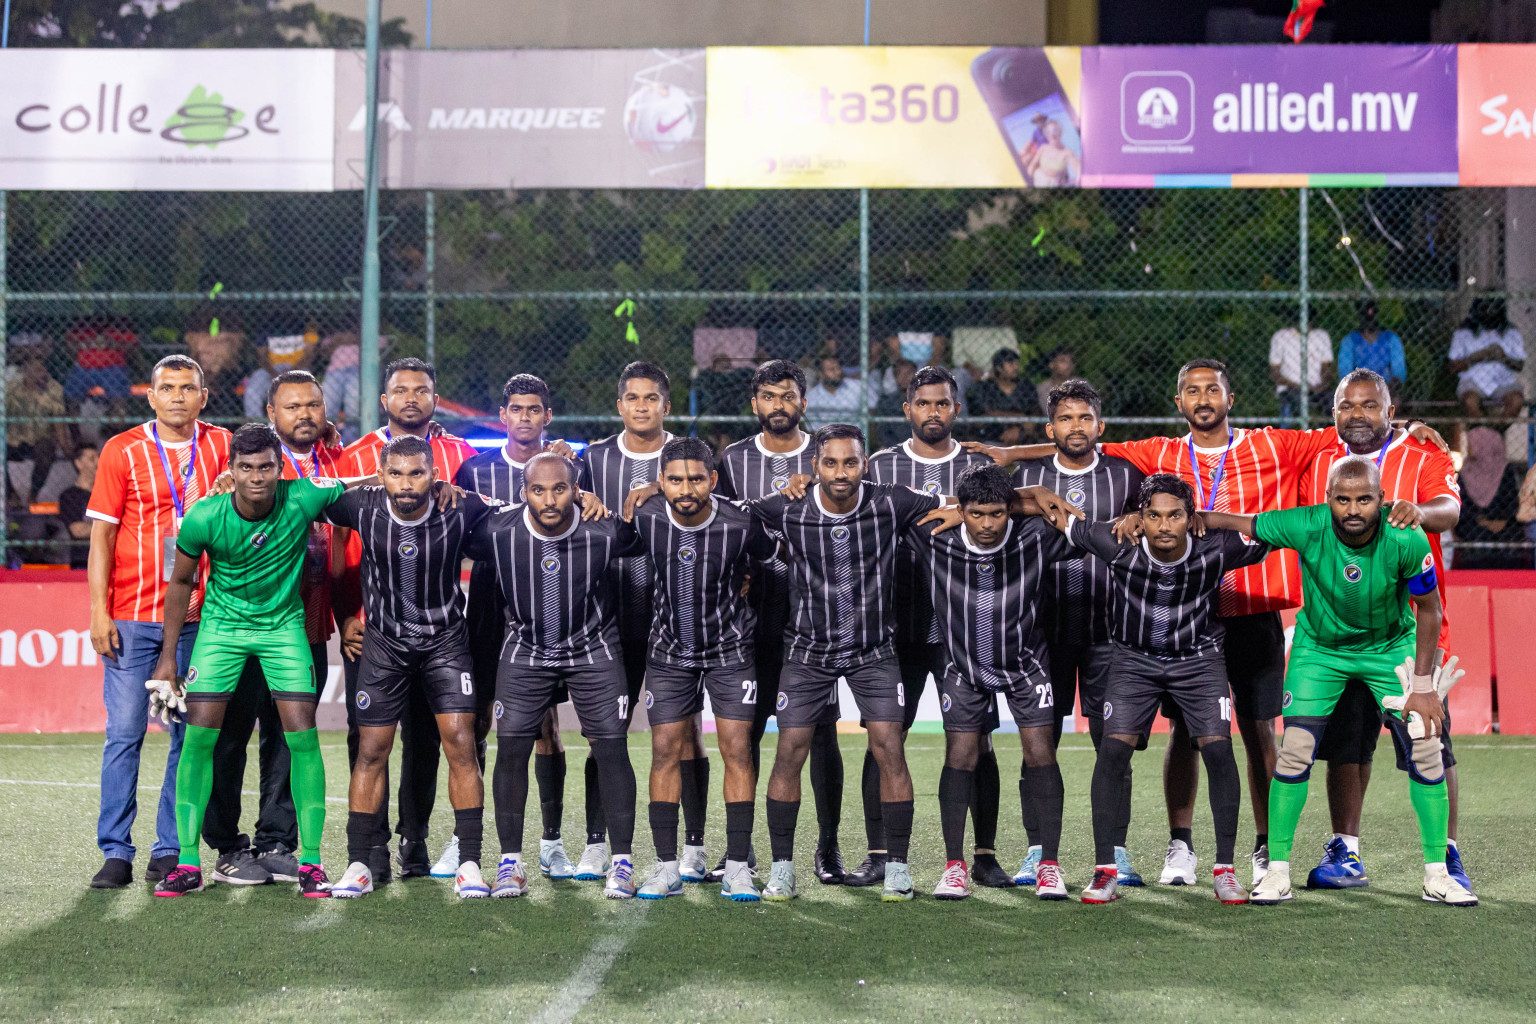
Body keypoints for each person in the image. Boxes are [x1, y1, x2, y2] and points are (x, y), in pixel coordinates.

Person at [1206, 457, 1475, 907]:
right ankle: (1276, 873)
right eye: (1343, 499)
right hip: (1320, 651)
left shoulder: (1406, 536)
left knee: (1426, 745)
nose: (1353, 509)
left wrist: (1424, 684)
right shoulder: (1306, 523)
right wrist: (1195, 517)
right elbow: (1243, 523)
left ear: (1381, 500)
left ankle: (1437, 874)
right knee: (1294, 752)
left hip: (1390, 649)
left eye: (1364, 499)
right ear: (1327, 499)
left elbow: (1429, 609)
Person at [742, 424, 945, 903]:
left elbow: (967, 504)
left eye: (850, 462)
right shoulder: (788, 508)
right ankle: (783, 869)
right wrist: (647, 491)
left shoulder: (891, 501)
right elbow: (725, 512)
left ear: (865, 465)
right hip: (807, 650)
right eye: (830, 463)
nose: (840, 472)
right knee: (790, 748)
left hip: (874, 649)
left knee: (888, 746)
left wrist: (1033, 494)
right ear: (815, 467)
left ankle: (896, 866)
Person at [148, 424, 349, 897]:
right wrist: (166, 659)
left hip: (283, 630)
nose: (256, 477)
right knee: (199, 740)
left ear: (281, 469)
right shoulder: (204, 516)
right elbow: (180, 584)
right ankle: (189, 862)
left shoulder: (302, 498)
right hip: (221, 632)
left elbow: (365, 484)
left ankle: (312, 864)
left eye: (265, 467)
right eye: (246, 467)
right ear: (231, 471)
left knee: (303, 738)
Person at [1064, 475, 1271, 906]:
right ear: (1139, 518)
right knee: (1113, 752)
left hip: (1199, 661)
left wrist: (1214, 519)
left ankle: (1225, 870)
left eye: (1175, 515)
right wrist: (1029, 494)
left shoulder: (1218, 547)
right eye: (1153, 515)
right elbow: (1060, 517)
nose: (1163, 525)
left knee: (1217, 750)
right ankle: (1105, 871)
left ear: (1189, 517)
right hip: (1133, 662)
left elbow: (1276, 529)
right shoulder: (1115, 543)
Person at [1299, 369, 1467, 894]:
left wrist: (1422, 511)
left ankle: (1445, 856)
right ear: (1333, 414)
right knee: (1347, 744)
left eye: (1370, 405)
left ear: (1390, 411)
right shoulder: (1318, 456)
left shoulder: (1424, 455)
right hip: (1340, 631)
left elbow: (1451, 509)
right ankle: (1345, 850)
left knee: (1428, 740)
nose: (1358, 414)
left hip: (1408, 632)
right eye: (1347, 406)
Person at [327, 436, 500, 899]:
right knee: (371, 750)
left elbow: (528, 504)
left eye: (417, 473)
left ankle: (468, 864)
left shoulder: (461, 507)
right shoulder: (360, 503)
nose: (406, 485)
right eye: (396, 474)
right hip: (384, 647)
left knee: (462, 744)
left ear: (434, 474)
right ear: (381, 474)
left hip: (446, 644)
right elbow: (298, 492)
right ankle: (360, 864)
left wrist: (582, 495)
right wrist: (227, 482)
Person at [84, 355, 232, 890]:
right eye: (166, 388)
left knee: (187, 737)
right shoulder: (121, 450)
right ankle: (116, 851)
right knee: (124, 734)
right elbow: (100, 537)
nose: (176, 397)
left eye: (186, 388)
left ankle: (169, 847)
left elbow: (272, 461)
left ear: (203, 395)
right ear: (150, 396)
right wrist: (99, 611)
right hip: (133, 616)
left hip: (201, 618)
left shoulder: (222, 446)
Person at [467, 453, 643, 899]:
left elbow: (659, 529)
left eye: (561, 489)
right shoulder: (497, 530)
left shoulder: (605, 531)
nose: (549, 499)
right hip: (525, 651)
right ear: (523, 492)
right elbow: (448, 519)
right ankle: (510, 863)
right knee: (510, 750)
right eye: (538, 490)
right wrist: (443, 488)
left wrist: (655, 489)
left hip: (594, 651)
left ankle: (621, 862)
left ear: (577, 489)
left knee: (611, 748)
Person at [199, 369, 347, 887]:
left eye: (313, 404)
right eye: (292, 406)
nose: (305, 414)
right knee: (228, 736)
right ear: (271, 414)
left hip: (307, 621)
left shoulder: (340, 457)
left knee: (288, 738)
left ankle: (278, 842)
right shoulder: (241, 467)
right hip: (238, 626)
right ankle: (224, 844)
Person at [907, 465, 1079, 900]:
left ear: (1011, 511)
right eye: (976, 513)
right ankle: (953, 867)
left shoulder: (1037, 537)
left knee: (1040, 753)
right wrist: (946, 507)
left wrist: (1030, 496)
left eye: (998, 513)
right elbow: (877, 505)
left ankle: (1049, 866)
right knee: (961, 754)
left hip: (1025, 664)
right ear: (961, 510)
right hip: (963, 668)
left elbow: (1086, 525)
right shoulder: (935, 536)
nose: (987, 524)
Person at [864, 366, 1006, 890]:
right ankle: (880, 854)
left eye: (942, 404)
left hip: (965, 628)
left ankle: (984, 855)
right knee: (885, 738)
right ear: (907, 410)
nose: (932, 412)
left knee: (977, 742)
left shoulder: (978, 465)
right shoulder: (879, 466)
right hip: (895, 624)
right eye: (922, 404)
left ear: (956, 409)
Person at [335, 357, 475, 879]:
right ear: (383, 399)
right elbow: (339, 544)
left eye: (422, 390)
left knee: (427, 738)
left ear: (435, 399)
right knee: (367, 736)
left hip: (440, 625)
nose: (411, 398)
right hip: (373, 626)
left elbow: (498, 506)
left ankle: (412, 837)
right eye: (401, 390)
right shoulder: (355, 456)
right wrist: (346, 612)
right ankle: (368, 849)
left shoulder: (460, 454)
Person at [622, 438, 777, 901]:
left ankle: (736, 867)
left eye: (695, 479)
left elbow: (777, 568)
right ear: (660, 482)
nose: (685, 488)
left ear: (712, 479)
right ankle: (667, 867)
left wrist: (765, 616)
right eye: (674, 479)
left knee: (737, 751)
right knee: (666, 750)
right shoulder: (646, 517)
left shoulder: (741, 521)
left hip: (732, 652)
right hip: (669, 653)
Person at [713, 360, 846, 885]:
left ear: (804, 403)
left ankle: (828, 845)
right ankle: (737, 849)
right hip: (750, 615)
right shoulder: (734, 457)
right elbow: (722, 522)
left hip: (815, 612)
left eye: (788, 395)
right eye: (769, 396)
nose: (778, 405)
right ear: (755, 404)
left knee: (821, 734)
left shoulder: (828, 456)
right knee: (742, 733)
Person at [577, 362, 711, 883]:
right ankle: (595, 842)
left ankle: (694, 846)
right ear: (619, 406)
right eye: (631, 398)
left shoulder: (687, 458)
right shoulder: (592, 459)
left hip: (674, 619)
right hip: (606, 616)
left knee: (683, 738)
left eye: (651, 398)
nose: (641, 407)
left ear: (666, 406)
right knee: (605, 734)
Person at [1013, 379, 1145, 888]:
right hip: (1038, 632)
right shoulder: (1028, 478)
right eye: (1066, 419)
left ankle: (1115, 850)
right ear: (1051, 428)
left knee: (1112, 744)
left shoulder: (1125, 477)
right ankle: (1039, 851)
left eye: (1085, 418)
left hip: (1109, 630)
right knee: (1037, 744)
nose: (1076, 427)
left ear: (1100, 426)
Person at [453, 374, 576, 881]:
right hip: (485, 611)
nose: (525, 417)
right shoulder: (473, 471)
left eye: (534, 409)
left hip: (545, 612)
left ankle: (551, 842)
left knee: (544, 725)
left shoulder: (568, 468)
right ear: (502, 416)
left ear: (547, 415)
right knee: (478, 723)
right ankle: (466, 840)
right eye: (516, 409)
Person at [1454, 426, 1526, 570]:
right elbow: (1462, 506)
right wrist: (1483, 522)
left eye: (1472, 443)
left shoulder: (1505, 469)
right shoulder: (1466, 470)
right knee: (1474, 537)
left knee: (1509, 536)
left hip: (1503, 525)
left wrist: (1501, 521)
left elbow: (1512, 502)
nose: (1468, 448)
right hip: (1475, 526)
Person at [6, 351, 72, 505]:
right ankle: (11, 495)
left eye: (44, 369)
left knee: (46, 449)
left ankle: (33, 494)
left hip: (39, 439)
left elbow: (59, 422)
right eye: (37, 370)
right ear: (26, 371)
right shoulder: (11, 389)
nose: (42, 374)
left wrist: (67, 449)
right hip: (13, 439)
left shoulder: (54, 388)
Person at [1449, 300, 1525, 421]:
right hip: (1473, 382)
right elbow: (1453, 367)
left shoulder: (1511, 332)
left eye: (1494, 308)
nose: (1489, 313)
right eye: (1484, 308)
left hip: (1503, 382)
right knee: (1470, 401)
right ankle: (1482, 430)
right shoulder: (1463, 333)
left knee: (1516, 401)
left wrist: (1503, 357)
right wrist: (1477, 357)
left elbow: (1520, 365)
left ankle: (1497, 429)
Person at [183, 308, 249, 421]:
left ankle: (226, 424)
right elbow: (194, 358)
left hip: (226, 376)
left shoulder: (229, 339)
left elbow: (231, 362)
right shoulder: (197, 338)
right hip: (203, 374)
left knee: (225, 386)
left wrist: (217, 371)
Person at [1336, 301, 1406, 395]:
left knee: (1395, 401)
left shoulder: (1390, 338)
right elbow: (1345, 373)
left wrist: (1387, 389)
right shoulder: (1351, 340)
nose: (1370, 320)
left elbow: (1399, 372)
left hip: (1387, 389)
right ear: (1360, 317)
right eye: (1366, 316)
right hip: (1358, 390)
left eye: (1373, 315)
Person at [1269, 322, 1334, 422]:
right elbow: (1275, 373)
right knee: (1297, 400)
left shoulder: (1321, 336)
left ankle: (1327, 434)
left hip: (1317, 388)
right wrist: (1300, 386)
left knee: (1333, 399)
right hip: (1291, 388)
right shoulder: (1281, 337)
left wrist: (1322, 385)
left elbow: (1326, 369)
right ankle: (1294, 433)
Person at [969, 349, 1034, 445]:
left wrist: (1017, 429)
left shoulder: (1026, 387)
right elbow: (988, 413)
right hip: (991, 438)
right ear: (999, 368)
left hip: (1021, 436)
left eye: (1016, 363)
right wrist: (1020, 417)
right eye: (1011, 364)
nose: (1016, 367)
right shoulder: (986, 387)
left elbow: (1033, 414)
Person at [58, 442, 99, 569]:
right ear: (79, 463)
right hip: (83, 560)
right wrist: (111, 527)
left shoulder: (109, 491)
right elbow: (77, 530)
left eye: (99, 458)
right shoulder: (70, 496)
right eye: (92, 459)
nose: (98, 462)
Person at [803, 356, 867, 428]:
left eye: (838, 368)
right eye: (832, 369)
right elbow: (813, 429)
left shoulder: (856, 387)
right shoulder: (812, 397)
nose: (837, 372)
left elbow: (870, 413)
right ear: (821, 374)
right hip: (828, 438)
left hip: (856, 436)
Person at [872, 359, 917, 450]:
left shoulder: (926, 400)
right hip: (894, 446)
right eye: (900, 374)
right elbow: (882, 432)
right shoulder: (886, 401)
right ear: (895, 378)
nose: (905, 377)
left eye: (909, 373)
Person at [1035, 347, 1076, 417]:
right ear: (1052, 365)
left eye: (1070, 362)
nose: (1068, 365)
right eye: (1063, 361)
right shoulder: (1042, 388)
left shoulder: (1082, 385)